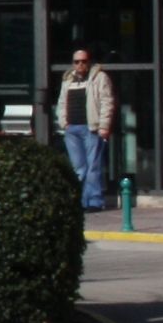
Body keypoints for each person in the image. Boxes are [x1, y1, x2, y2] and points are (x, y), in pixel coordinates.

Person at [56, 48, 117, 211]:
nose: (80, 64)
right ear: (73, 63)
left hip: (91, 129)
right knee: (78, 168)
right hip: (72, 130)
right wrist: (64, 123)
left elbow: (107, 102)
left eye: (83, 61)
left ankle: (94, 201)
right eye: (77, 62)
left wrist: (104, 126)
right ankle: (80, 201)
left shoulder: (100, 78)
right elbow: (61, 103)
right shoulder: (68, 80)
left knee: (93, 167)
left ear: (89, 62)